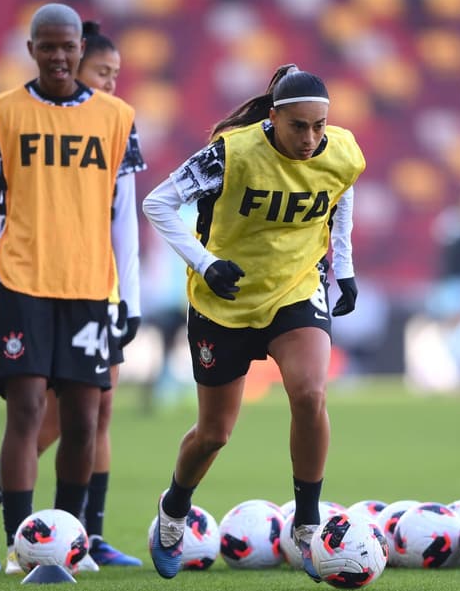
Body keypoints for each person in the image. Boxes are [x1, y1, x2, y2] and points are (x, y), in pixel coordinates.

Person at [142, 63, 364, 580]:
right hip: (225, 300)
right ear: (274, 118)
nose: (312, 138)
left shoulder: (342, 151)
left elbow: (341, 194)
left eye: (319, 126)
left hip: (294, 289)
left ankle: (307, 525)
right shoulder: (231, 154)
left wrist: (344, 269)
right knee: (214, 434)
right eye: (299, 126)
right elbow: (159, 203)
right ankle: (174, 508)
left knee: (310, 393)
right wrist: (204, 263)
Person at [0, 4, 144, 574]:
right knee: (28, 410)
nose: (59, 56)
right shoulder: (2, 113)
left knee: (85, 420)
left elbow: (125, 217)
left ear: (80, 51)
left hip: (88, 285)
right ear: (31, 49)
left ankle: (67, 543)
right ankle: (21, 545)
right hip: (21, 281)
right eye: (48, 47)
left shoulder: (117, 117)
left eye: (68, 47)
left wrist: (128, 298)